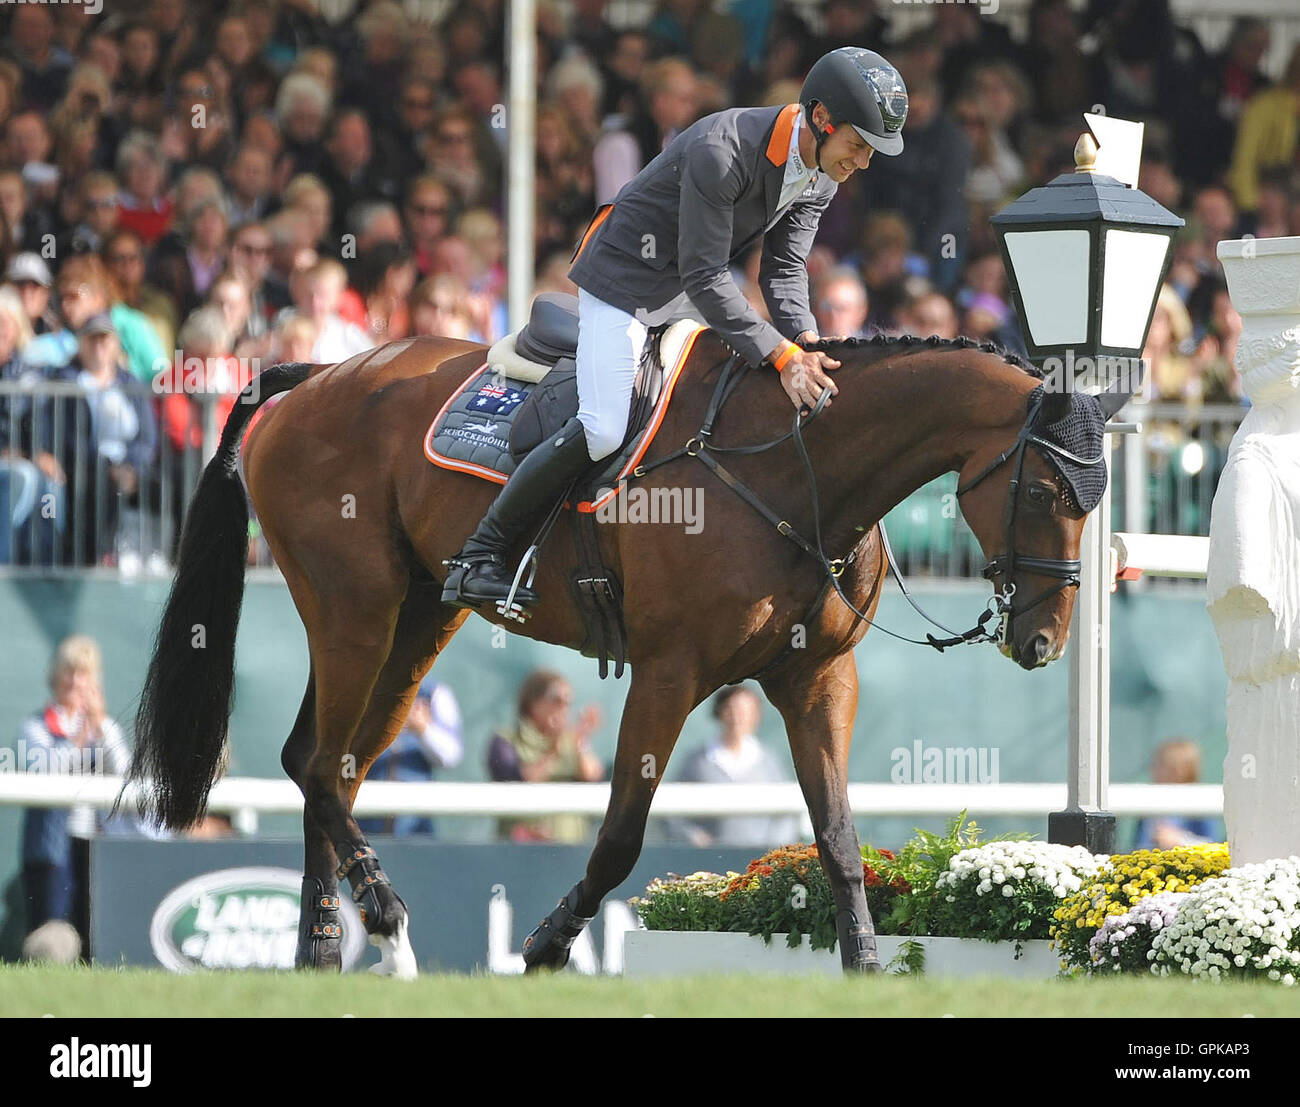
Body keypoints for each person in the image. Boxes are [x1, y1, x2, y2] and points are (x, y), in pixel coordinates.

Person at [441, 46, 908, 613]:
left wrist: (808, 345)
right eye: (858, 145)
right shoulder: (724, 149)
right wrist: (781, 357)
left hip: (685, 292)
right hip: (626, 284)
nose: (860, 163)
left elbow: (783, 270)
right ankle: (480, 554)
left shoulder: (821, 173)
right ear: (820, 118)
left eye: (870, 153)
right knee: (605, 428)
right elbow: (707, 275)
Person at [19, 635, 129, 952]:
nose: (76, 682)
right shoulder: (35, 727)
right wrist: (79, 738)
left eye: (85, 674)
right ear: (56, 675)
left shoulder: (106, 727)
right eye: (70, 672)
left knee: (98, 926)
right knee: (53, 928)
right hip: (52, 848)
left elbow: (123, 773)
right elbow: (45, 774)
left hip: (98, 842)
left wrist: (101, 727)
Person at [670, 685, 800, 848]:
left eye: (746, 712)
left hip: (760, 862)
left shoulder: (768, 760)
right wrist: (694, 837)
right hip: (708, 862)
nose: (738, 718)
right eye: (731, 710)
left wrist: (774, 847)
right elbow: (673, 814)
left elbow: (786, 814)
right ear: (719, 713)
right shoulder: (697, 761)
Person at [487, 670, 604, 843]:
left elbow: (592, 777)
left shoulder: (572, 742)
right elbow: (520, 780)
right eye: (557, 700)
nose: (563, 708)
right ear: (533, 703)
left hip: (569, 850)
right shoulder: (505, 741)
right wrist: (555, 750)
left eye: (568, 702)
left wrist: (581, 740)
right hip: (519, 852)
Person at [357, 677, 464, 838]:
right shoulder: (358, 689)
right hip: (363, 829)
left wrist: (422, 729)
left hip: (416, 828)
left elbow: (450, 756)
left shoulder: (434, 692)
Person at [1133, 739, 1221, 850]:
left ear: (1179, 770)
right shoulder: (1148, 804)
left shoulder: (1199, 803)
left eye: (1160, 765)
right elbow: (1138, 845)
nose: (1153, 770)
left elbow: (1213, 846)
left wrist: (1180, 840)